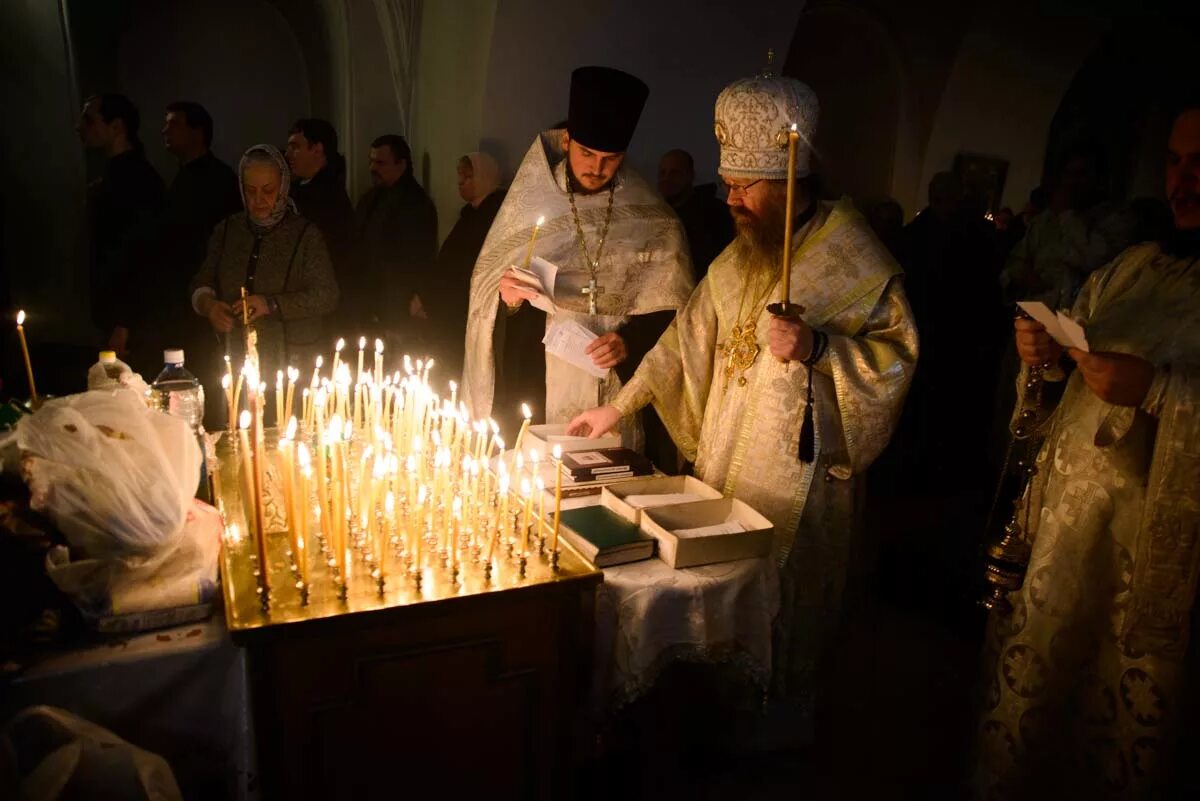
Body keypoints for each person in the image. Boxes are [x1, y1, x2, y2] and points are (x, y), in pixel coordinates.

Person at [568, 72, 917, 741]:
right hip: (729, 462)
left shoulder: (859, 261)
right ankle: (716, 716)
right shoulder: (739, 256)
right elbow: (684, 338)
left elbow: (896, 362)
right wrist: (619, 408)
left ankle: (777, 733)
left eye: (744, 185)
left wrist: (819, 348)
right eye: (727, 183)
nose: (729, 197)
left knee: (786, 616)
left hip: (803, 485)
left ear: (789, 180)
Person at [977, 106, 1200, 801]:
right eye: (1172, 161)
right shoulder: (1134, 265)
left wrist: (1162, 391)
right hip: (1063, 540)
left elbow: (1160, 389)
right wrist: (1042, 362)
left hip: (1139, 561)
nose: (1182, 181)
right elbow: (1072, 364)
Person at [462, 66, 694, 454]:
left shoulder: (653, 219)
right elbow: (489, 301)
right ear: (567, 140)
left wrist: (628, 343)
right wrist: (511, 302)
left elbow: (680, 312)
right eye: (587, 153)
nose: (597, 168)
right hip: (540, 377)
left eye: (611, 158)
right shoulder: (529, 204)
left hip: (614, 383)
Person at [189, 145, 339, 399]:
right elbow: (201, 282)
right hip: (237, 364)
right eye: (251, 191)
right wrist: (209, 306)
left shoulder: (305, 235)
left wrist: (272, 305)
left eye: (268, 191)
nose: (259, 200)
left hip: (293, 365)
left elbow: (327, 295)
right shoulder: (227, 230)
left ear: (282, 187)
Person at [126, 102, 242, 391]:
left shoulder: (219, 179)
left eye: (174, 124)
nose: (165, 130)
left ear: (198, 132)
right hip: (177, 298)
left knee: (201, 377)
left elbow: (220, 245)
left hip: (205, 300)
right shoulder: (181, 176)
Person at [77, 93, 165, 357]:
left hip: (132, 319)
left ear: (116, 127)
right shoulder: (116, 174)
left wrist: (125, 321)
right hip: (115, 312)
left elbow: (142, 253)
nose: (79, 127)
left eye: (89, 120)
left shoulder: (136, 180)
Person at [1000, 145, 1134, 309]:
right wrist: (1019, 275)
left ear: (1098, 178)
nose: (1071, 183)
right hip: (1034, 319)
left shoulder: (1116, 221)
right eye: (1067, 174)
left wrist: (1067, 215)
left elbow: (1096, 259)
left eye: (1081, 174)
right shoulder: (1045, 221)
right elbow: (1016, 262)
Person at [426, 152, 505, 377]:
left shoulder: (492, 215)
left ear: (484, 177)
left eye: (467, 177)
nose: (460, 183)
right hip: (452, 306)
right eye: (459, 176)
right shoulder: (471, 214)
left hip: (468, 307)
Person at [354, 134, 438, 342]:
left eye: (381, 162)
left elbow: (419, 257)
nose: (373, 168)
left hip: (397, 301)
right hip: (371, 296)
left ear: (401, 164)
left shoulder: (416, 204)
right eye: (371, 161)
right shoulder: (372, 197)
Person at [286, 119, 355, 324]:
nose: (288, 154)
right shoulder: (300, 189)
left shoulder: (329, 197)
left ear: (317, 149)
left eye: (295, 147)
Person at [658, 148, 733, 280]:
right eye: (662, 173)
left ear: (690, 175)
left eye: (675, 173)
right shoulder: (656, 216)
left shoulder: (715, 214)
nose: (666, 179)